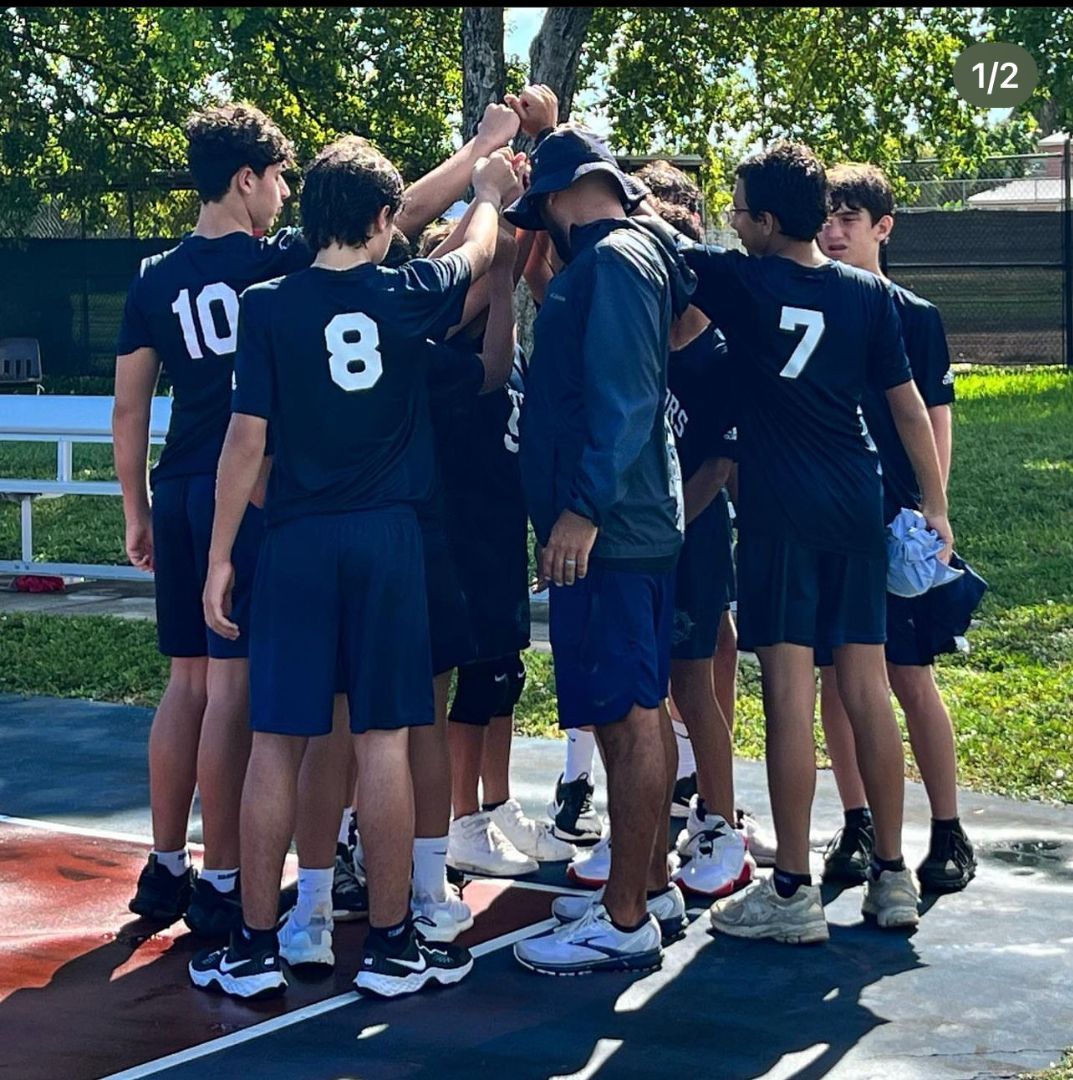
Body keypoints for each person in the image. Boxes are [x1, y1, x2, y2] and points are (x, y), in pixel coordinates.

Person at [189, 135, 520, 1000]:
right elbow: (480, 252)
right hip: (387, 540)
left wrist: (220, 555)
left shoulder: (266, 306)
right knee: (383, 741)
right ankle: (390, 943)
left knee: (277, 742)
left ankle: (252, 947)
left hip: (296, 538)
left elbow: (245, 441)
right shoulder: (406, 294)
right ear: (381, 220)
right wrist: (488, 188)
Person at [678, 142, 952, 944]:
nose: (731, 222)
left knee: (789, 698)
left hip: (782, 509)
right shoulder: (867, 293)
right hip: (856, 498)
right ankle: (892, 877)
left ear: (766, 221)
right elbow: (905, 405)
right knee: (866, 687)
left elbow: (651, 232)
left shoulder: (742, 279)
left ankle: (792, 889)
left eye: (738, 211)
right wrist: (934, 505)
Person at [503, 117, 696, 976]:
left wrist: (581, 509)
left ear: (557, 200)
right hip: (632, 523)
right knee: (637, 706)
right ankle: (646, 885)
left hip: (612, 531)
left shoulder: (613, 262)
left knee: (625, 714)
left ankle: (622, 920)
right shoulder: (639, 250)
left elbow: (623, 397)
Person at [114, 103, 307, 935]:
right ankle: (223, 880)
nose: (285, 193)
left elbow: (128, 408)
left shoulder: (154, 275)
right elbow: (396, 213)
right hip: (243, 488)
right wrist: (482, 151)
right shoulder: (277, 262)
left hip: (180, 487)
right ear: (245, 178)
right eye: (279, 178)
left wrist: (136, 509)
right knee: (231, 687)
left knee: (185, 682)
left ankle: (165, 868)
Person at [816, 163, 976, 893]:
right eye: (826, 217)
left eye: (849, 218)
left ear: (882, 227)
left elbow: (933, 420)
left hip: (894, 520)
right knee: (837, 678)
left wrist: (930, 513)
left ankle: (947, 828)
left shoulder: (914, 315)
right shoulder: (813, 303)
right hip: (829, 518)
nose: (834, 230)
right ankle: (857, 822)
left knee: (910, 677)